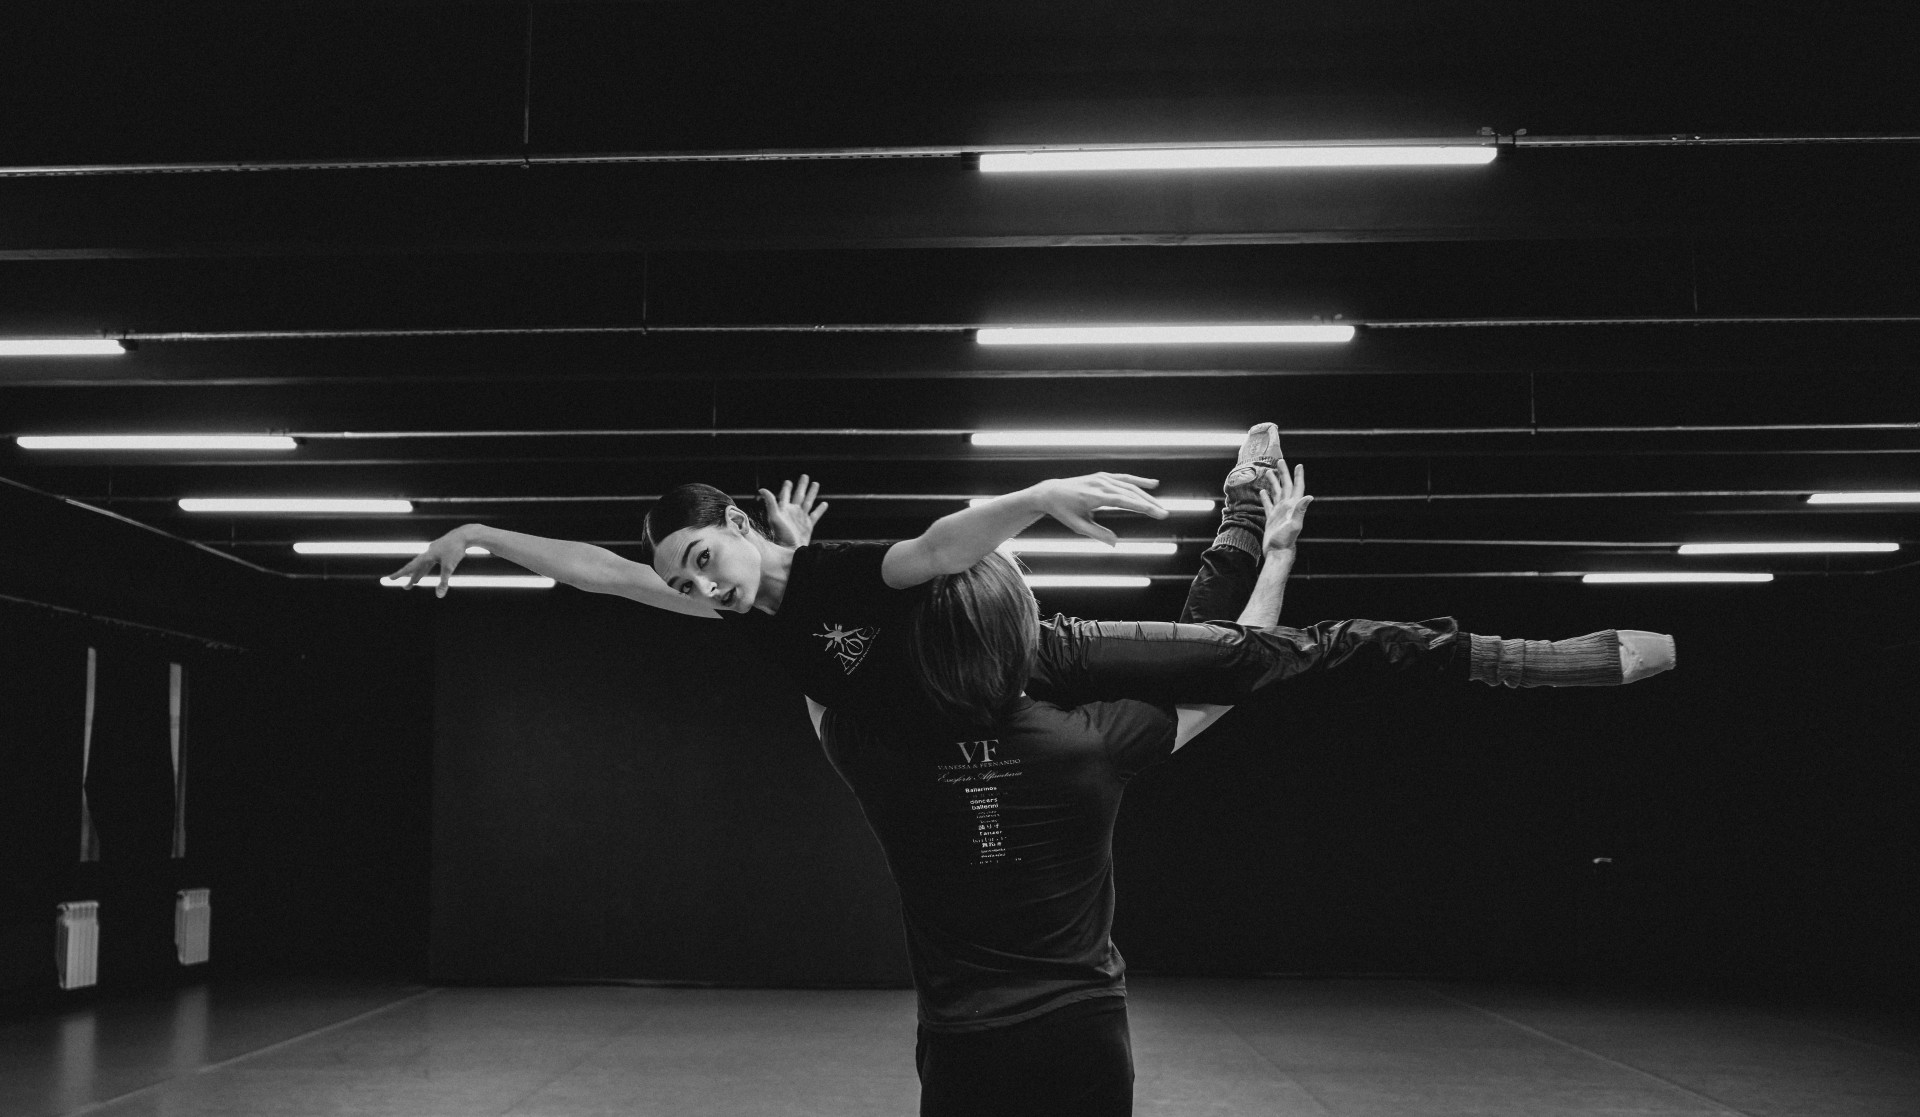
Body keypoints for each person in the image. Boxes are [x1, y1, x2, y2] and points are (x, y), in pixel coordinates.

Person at [390, 425, 1674, 725]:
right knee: (1211, 672)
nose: (700, 587)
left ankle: (1528, 661)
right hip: (980, 729)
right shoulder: (735, 607)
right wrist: (482, 534)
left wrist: (1038, 495)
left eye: (704, 559)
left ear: (738, 524)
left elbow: (941, 546)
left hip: (1037, 656)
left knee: (1259, 657)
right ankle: (1242, 515)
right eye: (685, 578)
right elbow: (599, 572)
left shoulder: (832, 573)